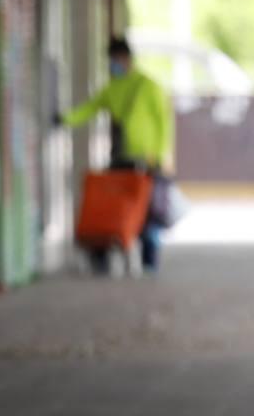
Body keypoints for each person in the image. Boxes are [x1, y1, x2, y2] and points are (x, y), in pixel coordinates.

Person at [57, 37, 175, 273]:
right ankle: (110, 254)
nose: (113, 64)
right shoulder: (112, 88)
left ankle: (149, 261)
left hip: (147, 159)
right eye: (111, 61)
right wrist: (64, 119)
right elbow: (90, 108)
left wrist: (162, 155)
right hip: (121, 158)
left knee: (148, 211)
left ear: (127, 58)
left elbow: (164, 122)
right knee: (118, 207)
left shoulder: (148, 86)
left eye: (116, 60)